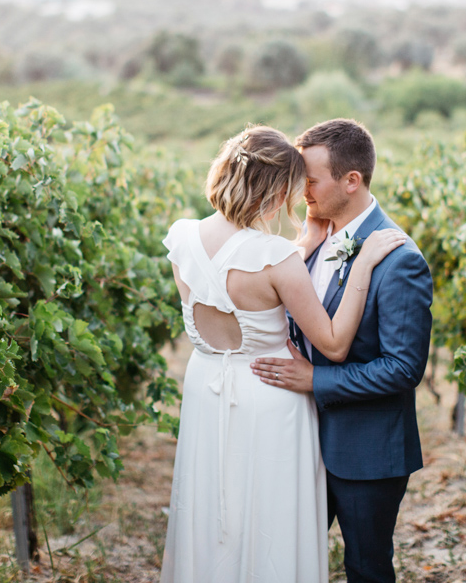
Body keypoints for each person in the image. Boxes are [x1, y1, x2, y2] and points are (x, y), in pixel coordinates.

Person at [159, 125, 407, 583]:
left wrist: (301, 249)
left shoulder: (183, 240)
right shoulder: (277, 258)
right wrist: (364, 265)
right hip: (268, 396)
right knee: (268, 520)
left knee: (215, 514)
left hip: (207, 392)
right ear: (274, 190)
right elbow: (332, 342)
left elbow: (234, 275)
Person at [251, 118, 434, 583]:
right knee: (287, 557)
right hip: (302, 437)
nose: (301, 192)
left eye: (310, 181)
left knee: (365, 568)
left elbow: (402, 369)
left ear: (351, 181)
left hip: (365, 449)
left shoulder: (399, 259)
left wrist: (317, 380)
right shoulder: (316, 238)